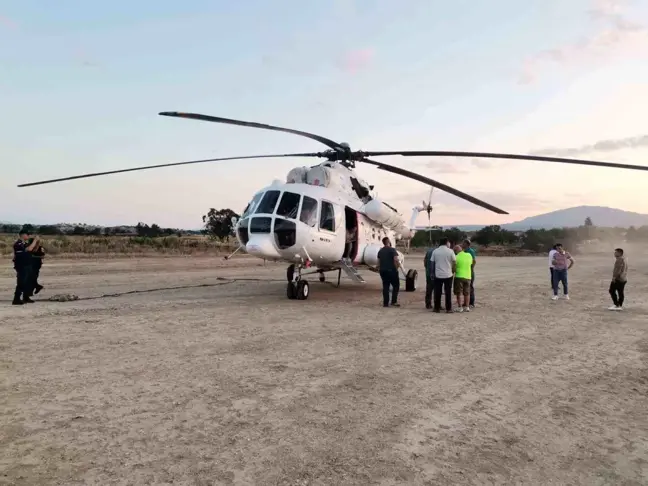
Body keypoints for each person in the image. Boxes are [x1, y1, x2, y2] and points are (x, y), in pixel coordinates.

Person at [12, 228, 39, 305]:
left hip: (27, 264)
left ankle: (26, 297)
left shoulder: (24, 243)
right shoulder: (18, 244)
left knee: (29, 281)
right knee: (21, 282)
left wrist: (36, 242)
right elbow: (29, 249)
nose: (29, 236)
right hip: (21, 266)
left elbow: (33, 250)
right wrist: (35, 240)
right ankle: (16, 299)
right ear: (23, 235)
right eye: (27, 234)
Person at [431, 237, 456, 313]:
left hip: (438, 275)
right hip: (448, 275)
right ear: (447, 242)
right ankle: (448, 308)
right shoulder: (450, 251)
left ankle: (437, 308)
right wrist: (453, 270)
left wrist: (432, 273)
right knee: (448, 292)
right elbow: (454, 262)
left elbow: (432, 263)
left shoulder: (435, 251)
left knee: (437, 292)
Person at [377, 237, 401, 307]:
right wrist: (396, 268)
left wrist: (379, 268)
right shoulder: (392, 250)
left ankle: (385, 303)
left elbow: (378, 262)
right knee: (396, 286)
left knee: (385, 286)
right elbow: (396, 260)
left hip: (383, 271)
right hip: (391, 270)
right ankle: (394, 301)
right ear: (388, 241)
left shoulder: (380, 251)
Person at [453, 244, 473, 312]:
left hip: (459, 276)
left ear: (456, 251)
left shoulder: (456, 257)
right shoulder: (469, 255)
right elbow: (471, 264)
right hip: (468, 276)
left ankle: (460, 307)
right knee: (467, 293)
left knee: (459, 293)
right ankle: (467, 307)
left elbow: (454, 267)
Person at [462, 239, 477, 308]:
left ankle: (471, 302)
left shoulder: (471, 251)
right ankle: (465, 302)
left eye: (463, 243)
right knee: (465, 288)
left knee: (470, 287)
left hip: (469, 272)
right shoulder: (463, 251)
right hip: (464, 272)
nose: (462, 244)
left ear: (467, 244)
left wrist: (471, 268)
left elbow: (474, 261)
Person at [423, 245, 435, 309]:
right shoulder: (437, 252)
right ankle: (437, 304)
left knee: (429, 289)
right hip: (436, 274)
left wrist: (427, 268)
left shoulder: (429, 251)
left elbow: (424, 261)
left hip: (428, 273)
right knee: (437, 290)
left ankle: (428, 304)